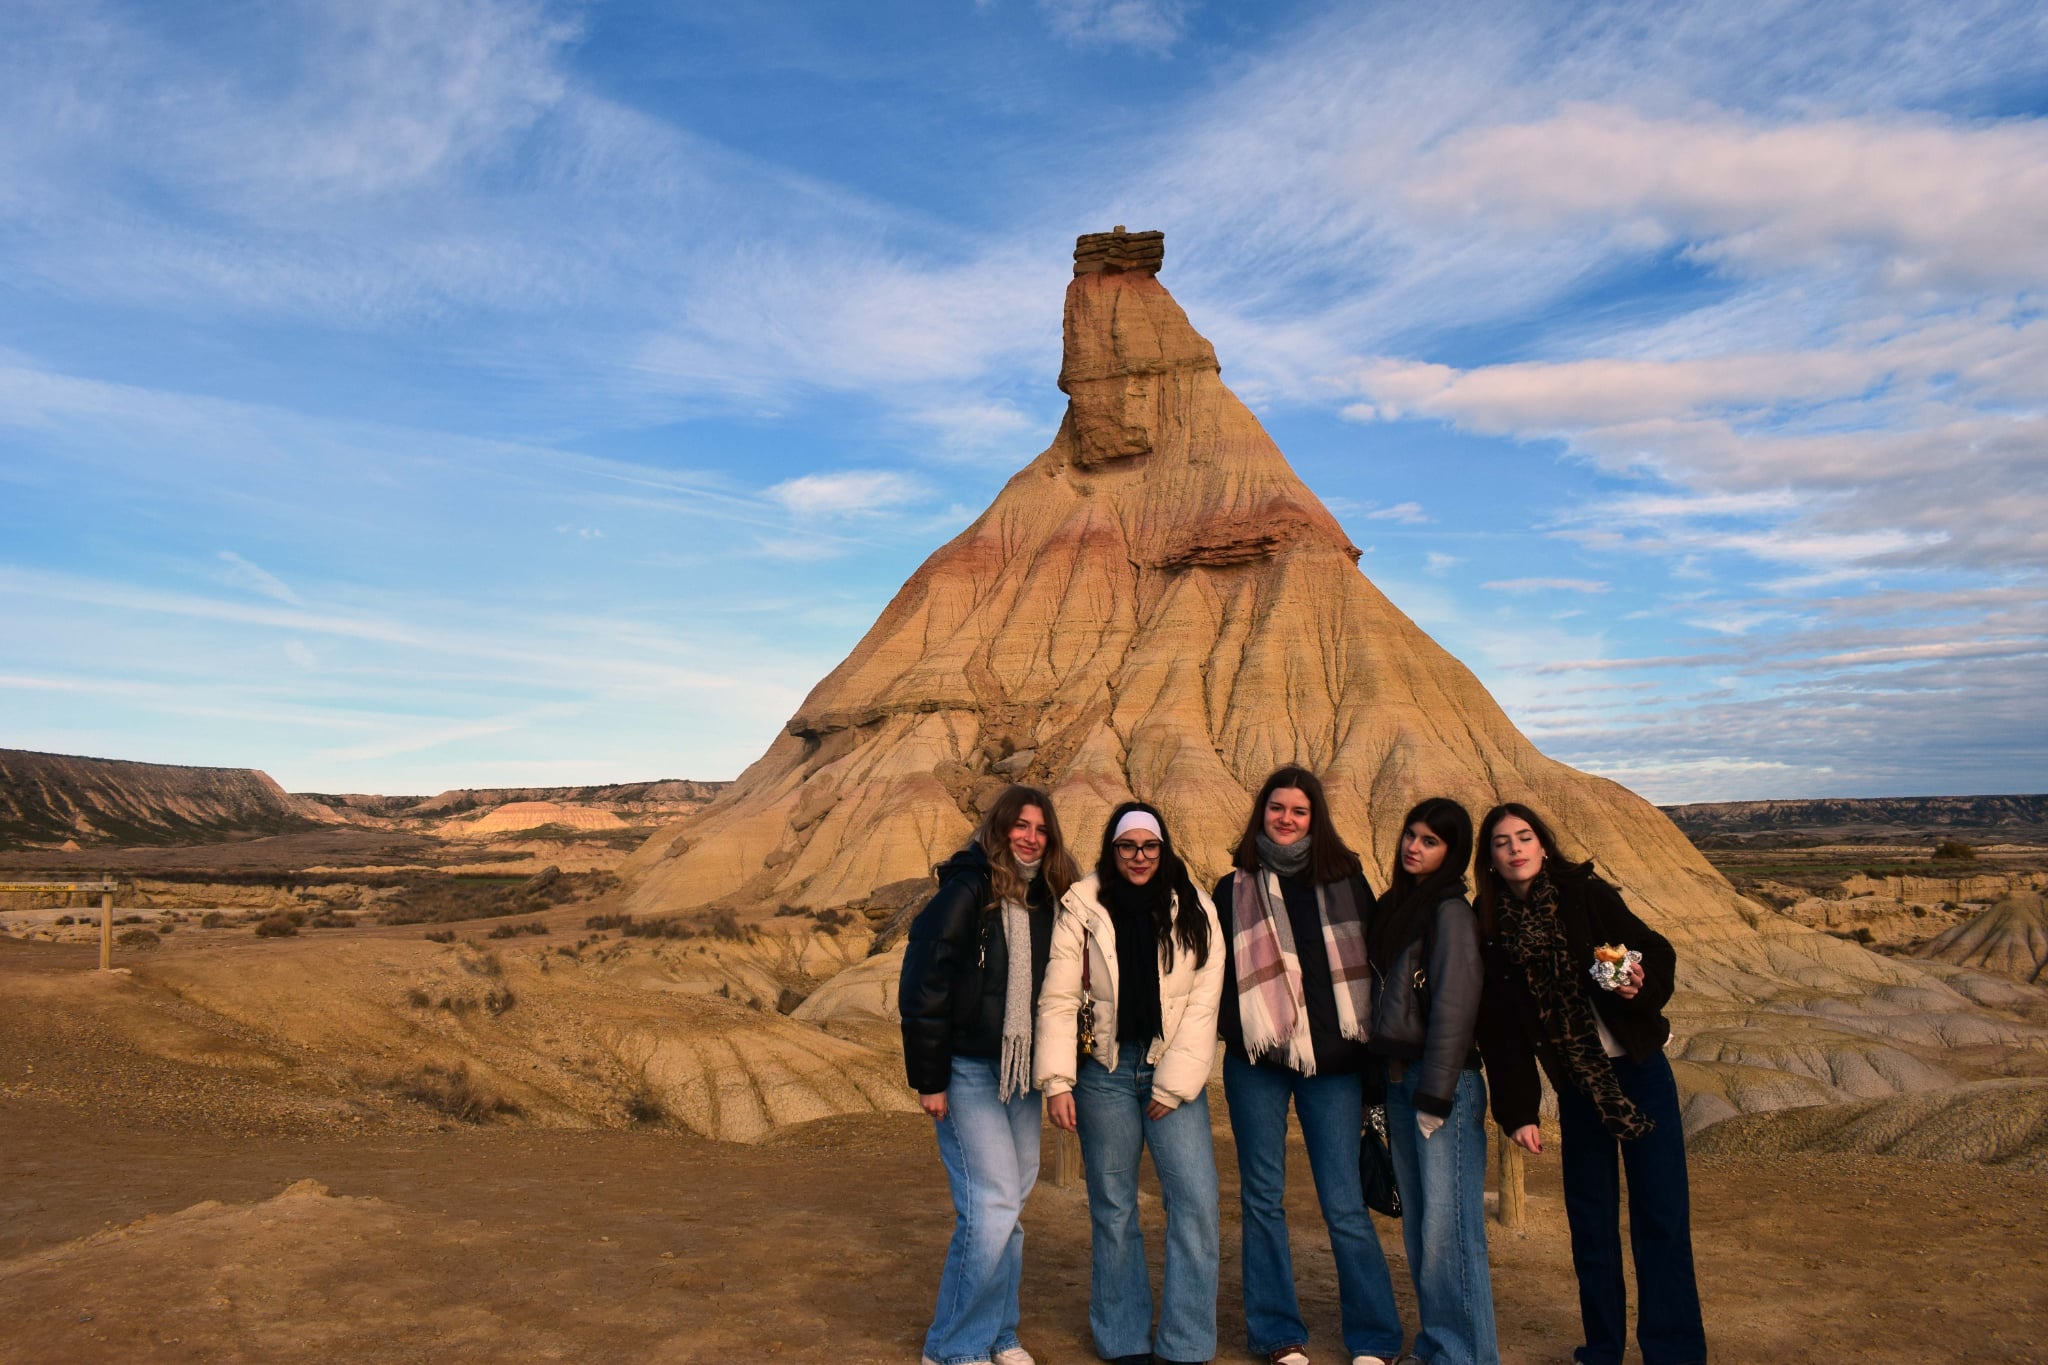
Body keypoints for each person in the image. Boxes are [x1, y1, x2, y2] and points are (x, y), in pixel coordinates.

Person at [1473, 803, 1706, 1365]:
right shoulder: (1491, 928)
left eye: (1524, 837)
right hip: (1577, 1090)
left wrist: (1638, 987)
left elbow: (1656, 951)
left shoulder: (1585, 895)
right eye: (1502, 843)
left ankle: (1672, 1352)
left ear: (1543, 846)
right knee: (1592, 1223)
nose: (1515, 849)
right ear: (1491, 861)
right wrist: (1519, 1111)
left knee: (1661, 1217)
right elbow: (1501, 1034)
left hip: (1640, 1073)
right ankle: (1602, 1349)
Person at [1215, 765, 1405, 1365]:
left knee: (1344, 1201)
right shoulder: (1233, 887)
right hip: (1257, 1064)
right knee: (1262, 1198)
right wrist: (1244, 1033)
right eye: (1277, 809)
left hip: (1336, 1066)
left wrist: (1367, 1055)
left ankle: (1373, 1338)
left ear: (1315, 818)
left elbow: (1376, 971)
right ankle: (1277, 1334)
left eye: (1299, 810)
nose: (1287, 819)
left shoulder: (1349, 883)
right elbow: (1218, 979)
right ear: (1261, 814)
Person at [1037, 802, 1226, 1365]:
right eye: (1127, 847)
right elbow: (1060, 995)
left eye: (1149, 847)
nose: (1139, 857)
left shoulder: (1196, 909)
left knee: (1195, 1203)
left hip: (1172, 1069)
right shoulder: (1083, 906)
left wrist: (1174, 1083)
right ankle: (1122, 1340)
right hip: (1106, 1073)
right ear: (1112, 851)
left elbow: (1202, 1000)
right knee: (1113, 1206)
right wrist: (1056, 1080)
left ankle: (1187, 1344)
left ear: (1163, 849)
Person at [899, 785, 1080, 1365]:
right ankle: (952, 1349)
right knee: (994, 1203)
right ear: (998, 830)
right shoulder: (967, 890)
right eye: (1019, 826)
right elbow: (923, 986)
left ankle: (999, 1334)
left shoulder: (1049, 896)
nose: (1030, 837)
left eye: (1040, 829)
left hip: (1020, 1073)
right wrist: (929, 1080)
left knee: (1008, 1210)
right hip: (969, 1072)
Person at [1367, 797, 1498, 1365]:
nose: (1413, 847)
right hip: (1402, 1080)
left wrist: (1436, 1095)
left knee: (1451, 1232)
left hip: (1440, 1084)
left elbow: (1455, 1007)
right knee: (1422, 1229)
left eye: (1429, 841)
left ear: (1453, 853)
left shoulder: (1450, 913)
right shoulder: (1398, 905)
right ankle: (1437, 1347)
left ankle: (1464, 1355)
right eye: (1410, 835)